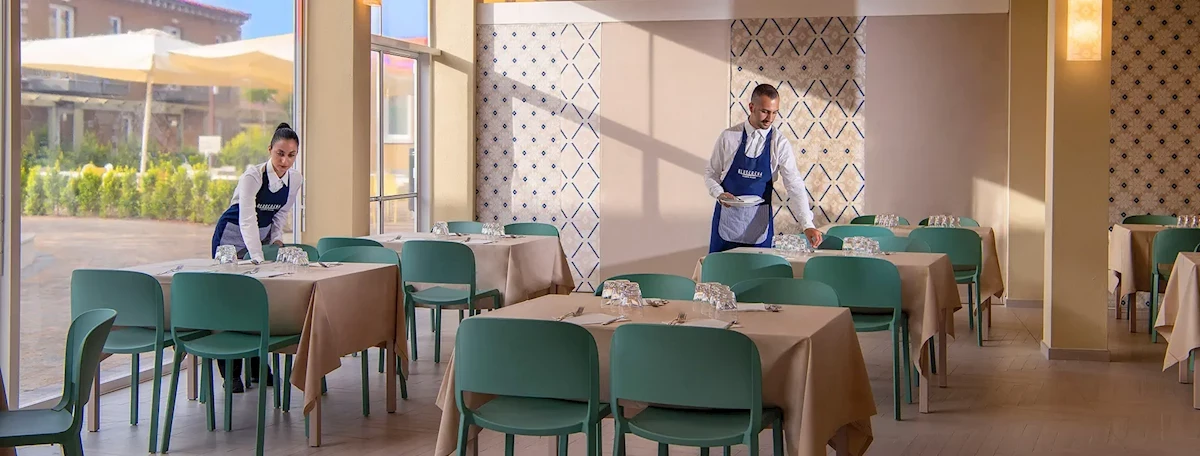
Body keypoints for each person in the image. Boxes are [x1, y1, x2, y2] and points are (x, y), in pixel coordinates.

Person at [209, 122, 303, 393]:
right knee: (230, 302)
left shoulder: (295, 179)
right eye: (280, 153)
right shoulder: (252, 176)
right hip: (231, 236)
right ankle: (230, 373)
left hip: (258, 238)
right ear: (270, 150)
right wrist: (258, 258)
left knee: (256, 301)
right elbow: (247, 219)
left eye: (291, 155)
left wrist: (276, 239)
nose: (285, 161)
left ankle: (256, 365)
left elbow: (280, 214)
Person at [704, 84, 823, 253]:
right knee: (722, 269)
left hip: (759, 227)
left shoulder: (779, 143)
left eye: (774, 112)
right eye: (765, 111)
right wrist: (719, 193)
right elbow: (711, 173)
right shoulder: (729, 137)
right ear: (751, 107)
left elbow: (794, 184)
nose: (770, 118)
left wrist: (807, 224)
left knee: (761, 270)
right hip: (726, 223)